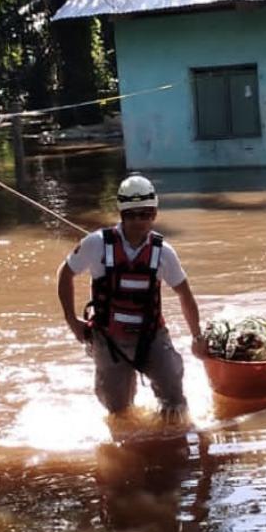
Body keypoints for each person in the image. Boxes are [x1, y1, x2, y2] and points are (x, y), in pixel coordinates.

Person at [57, 174, 207, 418]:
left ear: (155, 214)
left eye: (146, 214)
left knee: (175, 402)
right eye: (132, 214)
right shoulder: (96, 244)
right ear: (122, 214)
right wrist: (72, 321)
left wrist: (197, 336)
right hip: (108, 340)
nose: (139, 221)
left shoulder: (164, 253)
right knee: (119, 413)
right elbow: (65, 274)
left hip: (151, 337)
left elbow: (185, 295)